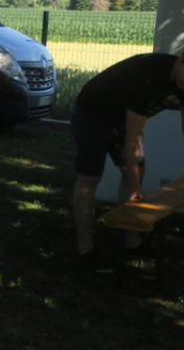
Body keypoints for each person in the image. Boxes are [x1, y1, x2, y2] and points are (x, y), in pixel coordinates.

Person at [72, 51, 184, 272]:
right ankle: (85, 250)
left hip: (122, 119)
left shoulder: (181, 82)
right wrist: (135, 187)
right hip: (92, 115)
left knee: (137, 172)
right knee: (90, 178)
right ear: (181, 60)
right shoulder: (148, 79)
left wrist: (135, 179)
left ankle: (132, 243)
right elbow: (132, 138)